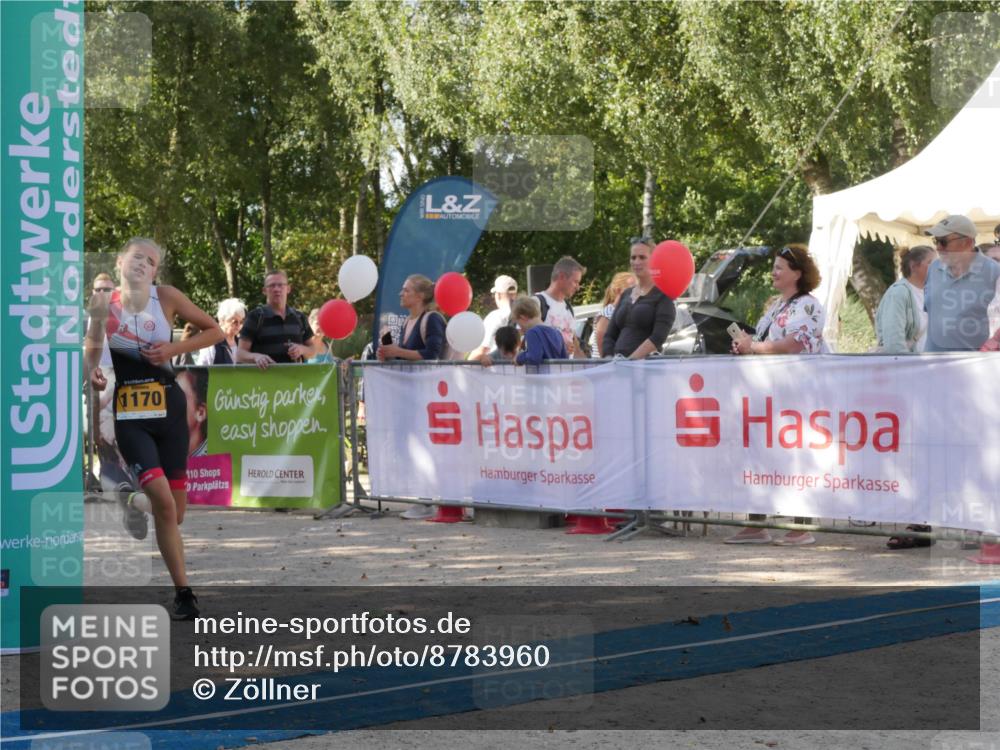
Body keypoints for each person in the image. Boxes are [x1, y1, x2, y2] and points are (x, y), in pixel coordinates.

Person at [85, 237, 224, 620]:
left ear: (156, 271)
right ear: (119, 263)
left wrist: (172, 351)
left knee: (174, 514)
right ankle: (184, 593)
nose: (144, 264)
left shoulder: (167, 297)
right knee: (164, 504)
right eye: (137, 257)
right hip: (131, 417)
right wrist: (92, 371)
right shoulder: (103, 305)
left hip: (171, 415)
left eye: (151, 261)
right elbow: (91, 348)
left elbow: (216, 331)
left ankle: (130, 500)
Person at [728, 244, 827, 546]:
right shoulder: (777, 306)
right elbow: (766, 341)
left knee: (796, 458)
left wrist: (753, 347)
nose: (774, 271)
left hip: (796, 393)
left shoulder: (808, 305)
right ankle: (757, 523)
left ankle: (801, 525)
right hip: (768, 392)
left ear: (797, 273)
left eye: (780, 267)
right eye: (774, 266)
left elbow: (792, 344)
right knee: (761, 456)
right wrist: (745, 344)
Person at [923, 214, 1000, 352]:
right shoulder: (933, 268)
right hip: (932, 366)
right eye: (936, 241)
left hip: (975, 368)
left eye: (943, 241)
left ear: (968, 242)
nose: (938, 248)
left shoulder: (995, 272)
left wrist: (995, 341)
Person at [603, 239, 676, 358]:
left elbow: (658, 337)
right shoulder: (626, 294)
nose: (637, 262)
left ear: (654, 260)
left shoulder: (663, 296)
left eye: (642, 257)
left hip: (646, 369)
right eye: (633, 257)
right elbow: (610, 335)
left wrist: (630, 362)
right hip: (618, 367)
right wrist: (609, 358)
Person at [237, 270, 321, 369]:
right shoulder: (255, 317)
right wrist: (256, 357)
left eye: (281, 285)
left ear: (288, 289)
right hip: (264, 381)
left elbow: (313, 351)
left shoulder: (299, 317)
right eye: (272, 286)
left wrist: (301, 349)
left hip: (295, 381)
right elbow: (240, 354)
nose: (276, 289)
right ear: (264, 291)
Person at [874, 246, 936, 354]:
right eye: (931, 263)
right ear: (913, 266)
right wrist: (909, 366)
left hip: (928, 365)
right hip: (908, 366)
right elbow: (894, 342)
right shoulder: (898, 293)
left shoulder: (931, 293)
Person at [377, 274, 446, 362]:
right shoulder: (406, 321)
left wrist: (397, 351)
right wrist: (386, 355)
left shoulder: (433, 318)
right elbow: (403, 358)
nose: (400, 294)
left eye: (406, 290)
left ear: (420, 296)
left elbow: (432, 354)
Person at [536, 256, 586, 358]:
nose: (578, 287)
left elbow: (575, 348)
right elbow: (522, 342)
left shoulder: (568, 308)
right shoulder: (537, 303)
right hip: (544, 372)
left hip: (566, 372)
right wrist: (558, 346)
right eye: (575, 282)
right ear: (562, 277)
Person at [470, 275, 518, 360]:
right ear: (515, 294)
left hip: (497, 370)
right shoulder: (524, 315)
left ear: (498, 295)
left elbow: (482, 350)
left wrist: (465, 367)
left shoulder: (496, 316)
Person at [511, 296, 568, 365]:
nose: (520, 328)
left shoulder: (532, 332)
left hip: (542, 374)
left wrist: (519, 358)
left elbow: (534, 357)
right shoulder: (557, 332)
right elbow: (565, 360)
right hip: (558, 374)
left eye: (518, 323)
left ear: (523, 318)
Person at [591, 272, 635, 357]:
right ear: (618, 290)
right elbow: (603, 349)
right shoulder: (607, 314)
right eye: (632, 288)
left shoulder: (626, 312)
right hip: (605, 366)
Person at [196, 298, 246, 365]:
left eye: (241, 322)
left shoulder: (241, 344)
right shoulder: (211, 344)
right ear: (222, 321)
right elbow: (202, 370)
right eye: (235, 322)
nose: (239, 325)